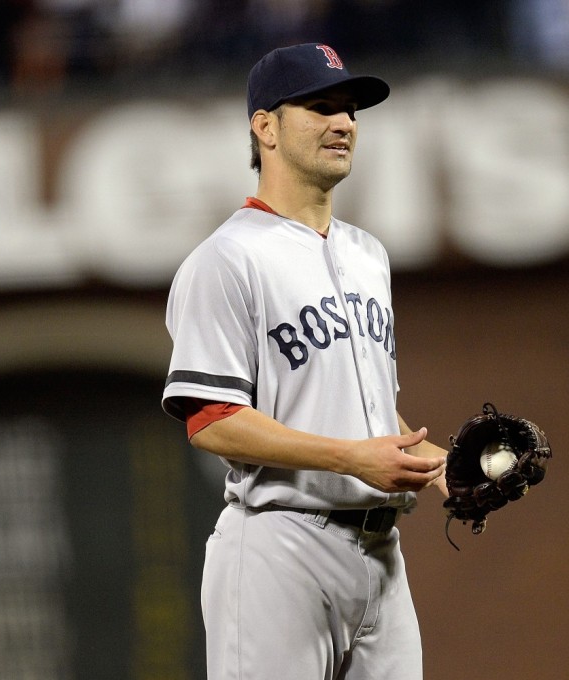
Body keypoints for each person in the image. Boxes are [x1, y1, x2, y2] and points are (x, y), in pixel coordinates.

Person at [161, 42, 449, 680]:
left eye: (349, 109)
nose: (343, 122)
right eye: (320, 107)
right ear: (264, 126)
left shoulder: (368, 254)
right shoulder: (227, 259)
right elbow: (212, 420)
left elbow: (365, 406)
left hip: (382, 553)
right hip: (279, 544)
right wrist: (352, 458)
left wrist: (427, 461)